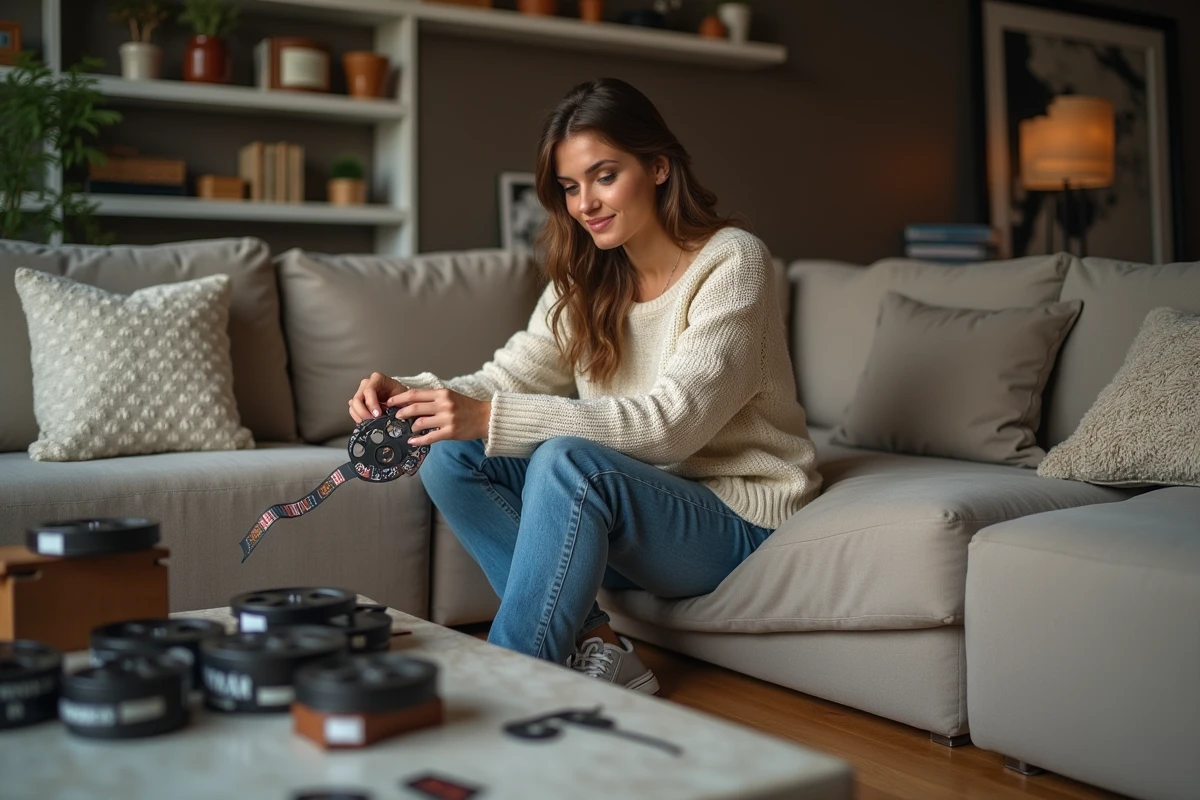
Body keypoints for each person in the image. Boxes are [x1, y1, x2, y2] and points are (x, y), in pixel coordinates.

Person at [348, 77, 821, 695]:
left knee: (568, 460)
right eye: (571, 187)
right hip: (628, 512)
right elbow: (501, 381)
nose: (585, 204)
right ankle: (598, 645)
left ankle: (510, 683)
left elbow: (669, 425)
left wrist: (489, 417)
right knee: (450, 452)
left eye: (604, 176)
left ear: (657, 166)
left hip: (732, 518)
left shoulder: (732, 262)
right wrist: (409, 395)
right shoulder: (587, 279)